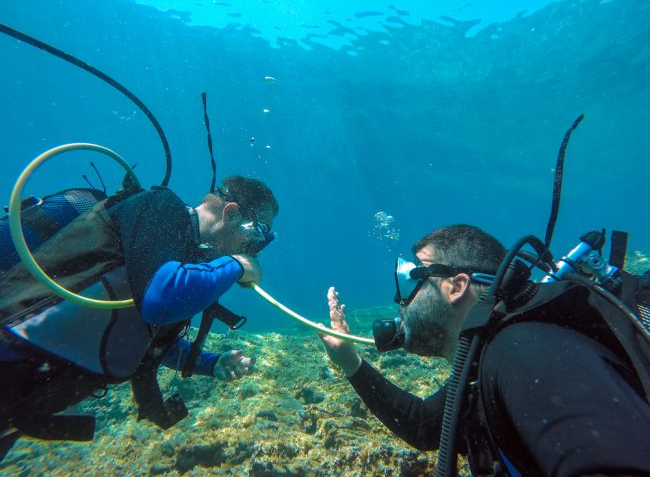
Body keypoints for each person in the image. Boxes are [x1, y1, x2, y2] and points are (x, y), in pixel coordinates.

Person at [319, 224, 650, 476]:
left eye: (410, 283)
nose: (400, 303)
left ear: (457, 286)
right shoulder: (485, 360)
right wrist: (350, 361)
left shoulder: (522, 353)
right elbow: (423, 426)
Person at [0, 175, 279, 460]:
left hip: (23, 403)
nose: (254, 248)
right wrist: (236, 265)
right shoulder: (159, 208)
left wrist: (211, 363)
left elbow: (144, 339)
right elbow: (159, 301)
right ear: (230, 213)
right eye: (258, 233)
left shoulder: (181, 256)